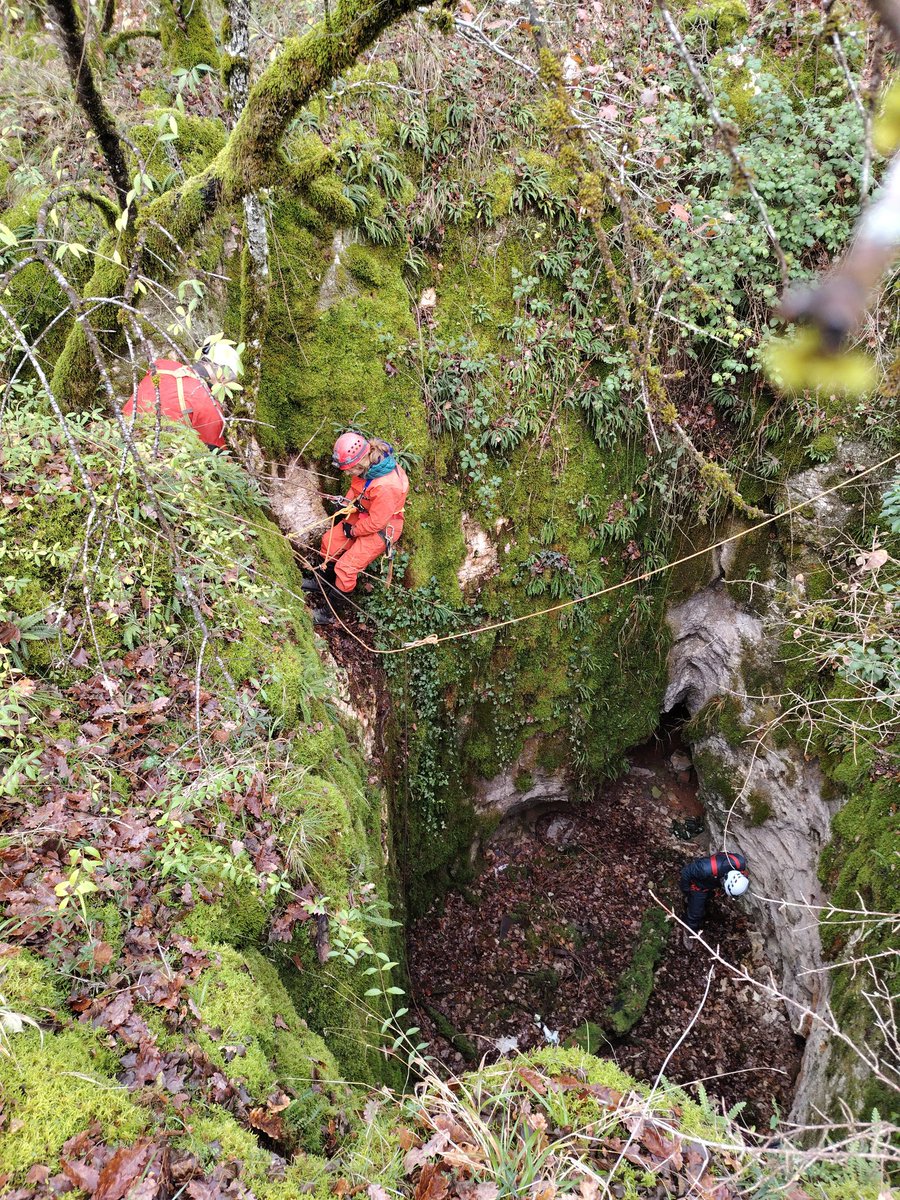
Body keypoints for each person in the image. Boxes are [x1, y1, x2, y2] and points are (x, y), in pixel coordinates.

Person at [304, 432, 409, 625]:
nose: (347, 473)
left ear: (360, 461)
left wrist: (352, 531)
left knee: (346, 568)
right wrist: (345, 502)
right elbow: (357, 488)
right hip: (364, 513)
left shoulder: (387, 486)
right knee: (329, 542)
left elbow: (377, 522)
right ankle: (320, 584)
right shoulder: (368, 468)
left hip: (383, 527)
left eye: (349, 469)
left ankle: (329, 614)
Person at [123, 338, 242, 449]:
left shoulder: (162, 366)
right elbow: (216, 450)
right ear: (223, 377)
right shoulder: (209, 406)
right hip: (156, 449)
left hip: (121, 429)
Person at [679, 851, 748, 947]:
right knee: (696, 913)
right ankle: (689, 931)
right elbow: (686, 873)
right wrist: (686, 891)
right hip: (699, 886)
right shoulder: (705, 868)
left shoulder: (739, 863)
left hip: (712, 881)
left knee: (707, 899)